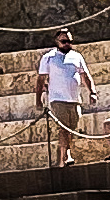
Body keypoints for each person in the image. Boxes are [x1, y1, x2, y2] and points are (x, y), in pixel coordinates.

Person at [36, 28, 97, 166]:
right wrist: (38, 100)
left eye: (69, 41)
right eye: (64, 41)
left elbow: (85, 75)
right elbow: (40, 80)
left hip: (74, 99)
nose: (67, 44)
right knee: (64, 128)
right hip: (58, 99)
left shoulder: (77, 56)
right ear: (57, 42)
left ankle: (61, 159)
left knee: (72, 128)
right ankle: (66, 155)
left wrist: (92, 92)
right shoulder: (49, 57)